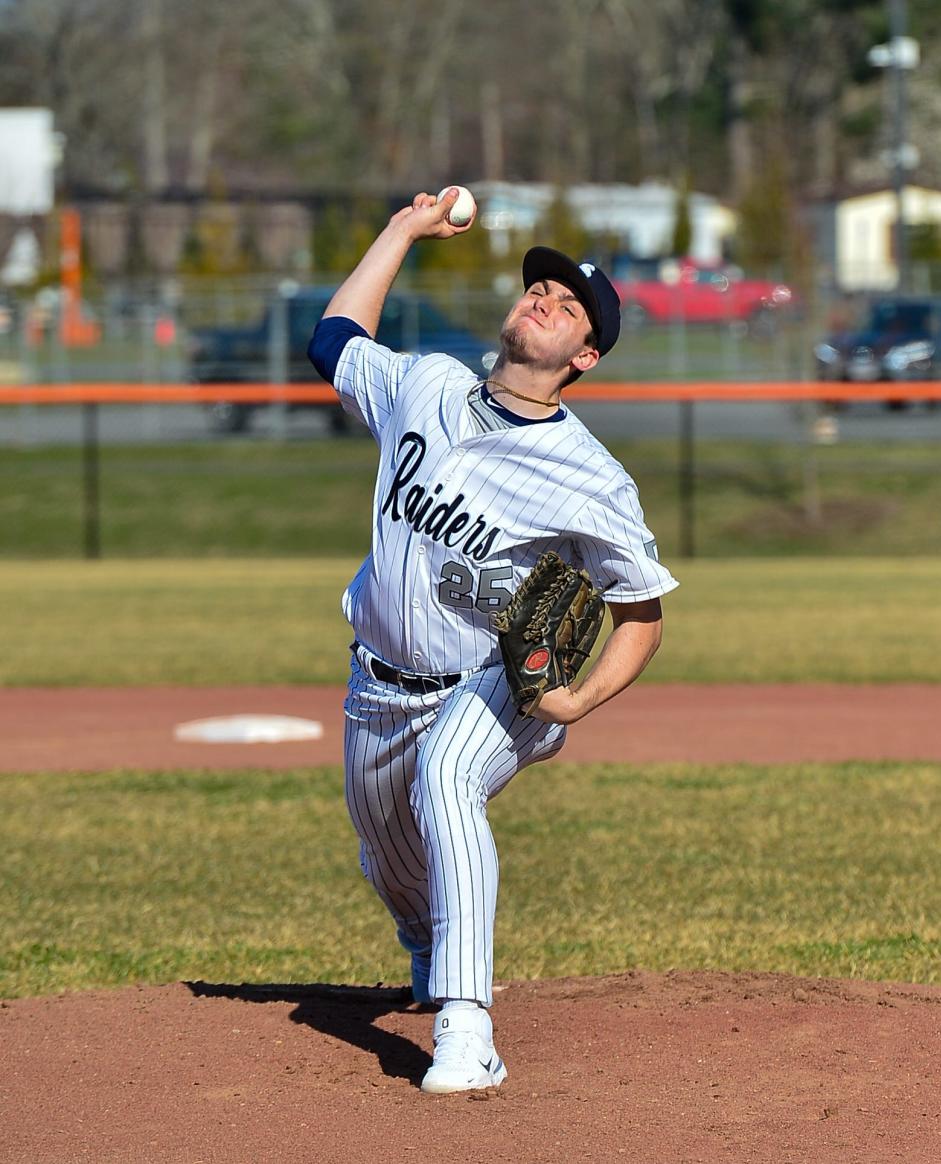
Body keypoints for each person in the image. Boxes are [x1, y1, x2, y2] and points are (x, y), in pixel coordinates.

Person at [307, 188, 678, 1095]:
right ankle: (435, 948)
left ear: (585, 356)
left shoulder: (590, 477)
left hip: (493, 684)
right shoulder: (425, 384)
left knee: (447, 777)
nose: (544, 298)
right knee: (390, 860)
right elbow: (331, 343)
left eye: (568, 303)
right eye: (539, 287)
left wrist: (578, 702)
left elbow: (642, 611)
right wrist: (400, 228)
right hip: (376, 687)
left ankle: (467, 1031)